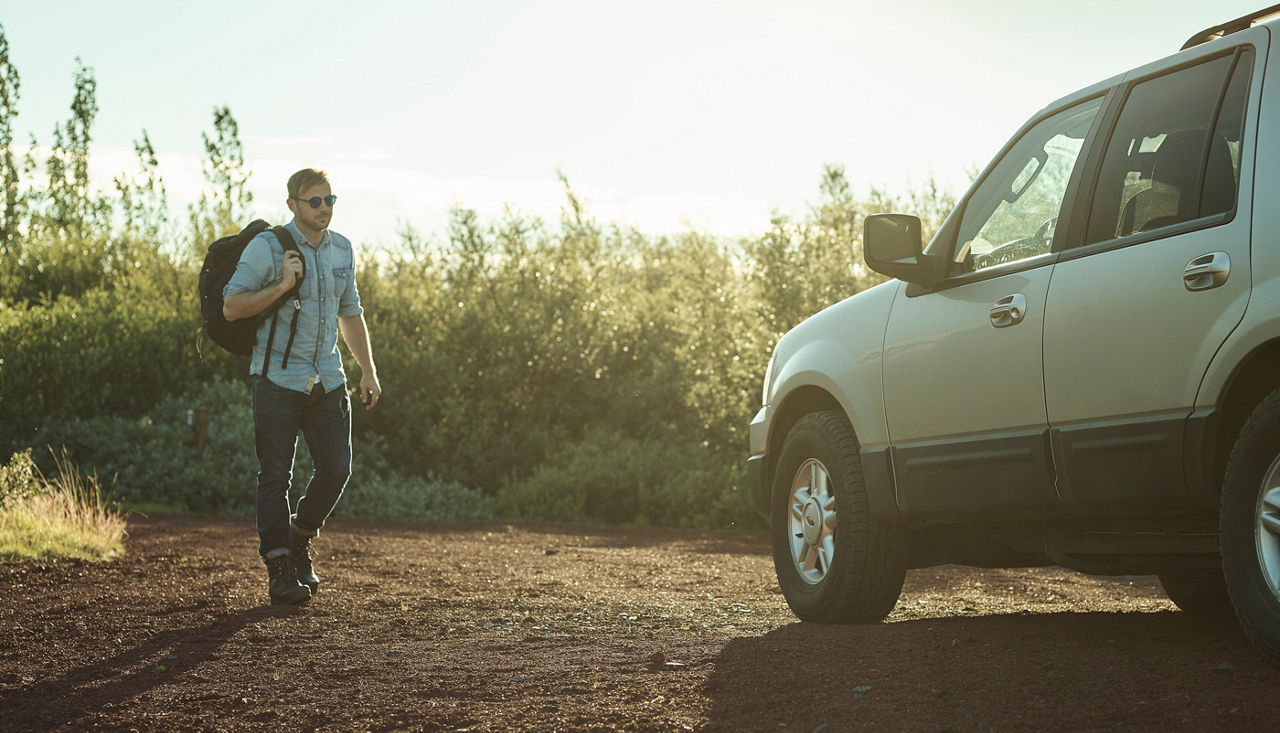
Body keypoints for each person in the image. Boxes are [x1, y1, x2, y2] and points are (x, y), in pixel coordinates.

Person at [223, 168, 381, 605]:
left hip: (328, 379)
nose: (325, 207)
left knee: (337, 468)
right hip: (277, 378)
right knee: (275, 475)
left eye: (331, 199)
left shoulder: (342, 250)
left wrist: (367, 369)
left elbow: (351, 313)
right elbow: (232, 307)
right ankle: (279, 568)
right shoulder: (268, 247)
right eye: (315, 201)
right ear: (293, 204)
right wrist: (282, 284)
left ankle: (299, 537)